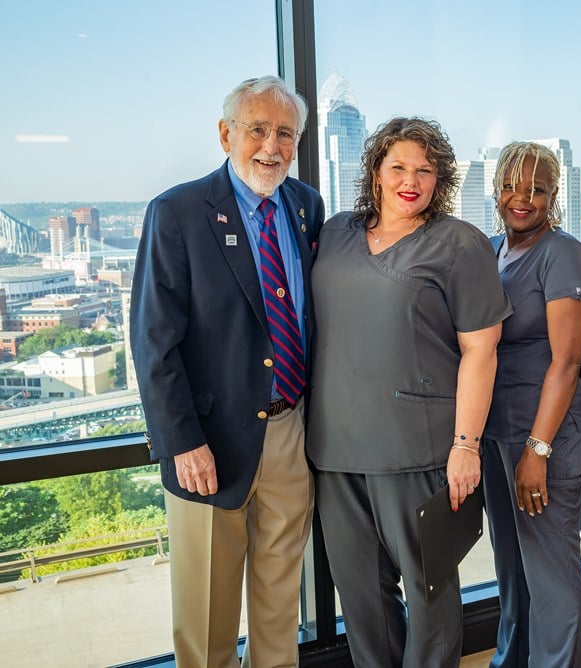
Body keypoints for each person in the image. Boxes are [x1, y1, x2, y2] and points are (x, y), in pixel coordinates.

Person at [130, 76, 323, 667]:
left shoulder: (306, 207)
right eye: (257, 129)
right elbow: (154, 342)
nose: (272, 145)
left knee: (279, 606)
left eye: (285, 132)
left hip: (290, 434)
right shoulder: (178, 212)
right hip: (208, 446)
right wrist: (183, 442)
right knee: (208, 616)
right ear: (225, 135)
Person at [307, 117, 511, 668]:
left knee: (430, 596)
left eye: (425, 170)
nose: (410, 180)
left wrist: (465, 445)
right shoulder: (335, 233)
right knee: (362, 601)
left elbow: (481, 351)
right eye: (398, 166)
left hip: (421, 451)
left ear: (439, 180)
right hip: (335, 451)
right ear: (374, 171)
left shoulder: (458, 243)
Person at [480, 141, 581, 667]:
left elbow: (568, 362)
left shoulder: (563, 253)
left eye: (536, 189)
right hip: (495, 435)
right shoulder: (489, 251)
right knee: (512, 568)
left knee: (550, 576)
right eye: (509, 186)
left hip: (545, 437)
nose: (520, 198)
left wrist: (538, 449)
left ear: (555, 195)